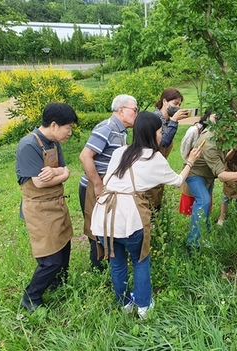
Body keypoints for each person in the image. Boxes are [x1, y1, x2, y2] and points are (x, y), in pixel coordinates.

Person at [90, 112, 201, 318]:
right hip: (129, 217)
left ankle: (125, 305)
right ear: (152, 132)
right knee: (140, 259)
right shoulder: (153, 157)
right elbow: (177, 181)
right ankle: (143, 307)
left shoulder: (119, 152)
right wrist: (190, 162)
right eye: (160, 131)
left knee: (116, 261)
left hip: (104, 217)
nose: (161, 135)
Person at [16, 102, 78, 312]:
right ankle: (31, 297)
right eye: (68, 127)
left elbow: (67, 172)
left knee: (64, 245)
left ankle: (58, 283)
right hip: (40, 209)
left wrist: (57, 172)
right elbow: (39, 183)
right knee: (50, 259)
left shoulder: (53, 143)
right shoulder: (28, 146)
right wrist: (58, 174)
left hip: (57, 203)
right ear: (54, 125)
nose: (70, 132)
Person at [79, 94, 138, 270]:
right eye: (134, 110)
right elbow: (85, 156)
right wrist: (98, 184)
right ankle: (97, 266)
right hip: (95, 185)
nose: (137, 113)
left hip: (108, 185)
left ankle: (108, 261)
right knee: (96, 226)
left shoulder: (121, 131)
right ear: (121, 110)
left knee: (107, 224)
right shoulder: (106, 128)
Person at [185, 118, 237, 249]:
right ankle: (192, 243)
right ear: (223, 126)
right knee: (203, 201)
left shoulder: (220, 136)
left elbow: (222, 159)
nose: (234, 132)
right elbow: (222, 175)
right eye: (232, 128)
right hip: (195, 174)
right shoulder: (210, 143)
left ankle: (204, 235)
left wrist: (233, 150)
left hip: (208, 175)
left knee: (206, 205)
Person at [148, 88, 189, 211]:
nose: (177, 107)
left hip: (159, 165)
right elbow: (164, 143)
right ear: (165, 101)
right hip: (150, 167)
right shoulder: (155, 119)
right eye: (175, 103)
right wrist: (174, 121)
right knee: (150, 201)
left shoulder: (167, 121)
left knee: (157, 199)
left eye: (179, 105)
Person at [179, 110, 216, 216]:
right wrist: (190, 161)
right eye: (215, 117)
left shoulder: (217, 133)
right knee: (199, 197)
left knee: (206, 196)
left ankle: (204, 221)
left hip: (208, 169)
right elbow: (184, 149)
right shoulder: (194, 131)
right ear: (208, 116)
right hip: (193, 167)